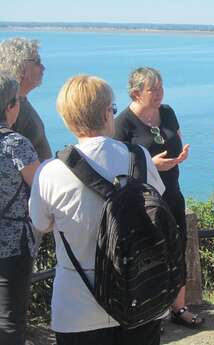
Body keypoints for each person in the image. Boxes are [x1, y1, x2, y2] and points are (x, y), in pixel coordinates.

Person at [29, 75, 166, 345]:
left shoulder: (50, 172)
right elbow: (156, 202)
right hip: (138, 294)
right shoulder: (139, 157)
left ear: (67, 118)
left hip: (77, 303)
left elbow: (40, 223)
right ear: (107, 113)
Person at [113, 67, 201, 328]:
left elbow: (175, 140)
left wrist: (179, 157)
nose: (160, 93)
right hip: (142, 201)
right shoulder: (123, 124)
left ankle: (178, 307)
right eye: (153, 89)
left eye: (161, 87)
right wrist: (150, 164)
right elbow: (118, 169)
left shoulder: (168, 112)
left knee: (178, 248)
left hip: (172, 194)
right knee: (148, 254)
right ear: (135, 93)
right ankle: (150, 313)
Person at [0, 73, 40, 344]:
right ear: (9, 107)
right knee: (10, 321)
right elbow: (41, 190)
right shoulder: (15, 144)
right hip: (13, 245)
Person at [0, 37, 51, 162]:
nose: (43, 67)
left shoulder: (19, 100)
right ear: (20, 64)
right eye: (37, 62)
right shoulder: (8, 107)